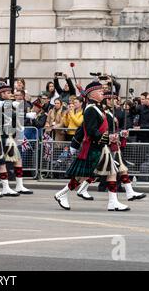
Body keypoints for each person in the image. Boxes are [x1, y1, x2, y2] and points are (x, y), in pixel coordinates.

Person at [54, 81, 130, 212]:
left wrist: (112, 136)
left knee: (112, 172)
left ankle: (113, 202)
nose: (103, 93)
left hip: (101, 147)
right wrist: (108, 137)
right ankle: (62, 193)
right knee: (81, 176)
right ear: (92, 94)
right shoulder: (90, 109)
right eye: (100, 91)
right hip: (93, 148)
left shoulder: (97, 108)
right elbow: (91, 131)